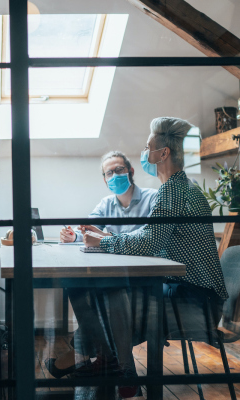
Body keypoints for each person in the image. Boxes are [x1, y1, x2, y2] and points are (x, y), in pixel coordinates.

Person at [68, 117, 227, 398]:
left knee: (109, 293)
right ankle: (114, 364)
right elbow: (149, 237)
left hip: (195, 302)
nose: (145, 153)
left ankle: (116, 367)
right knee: (98, 292)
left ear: (163, 153)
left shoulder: (172, 190)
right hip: (189, 292)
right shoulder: (180, 187)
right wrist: (104, 239)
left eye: (147, 147)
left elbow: (148, 242)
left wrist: (104, 243)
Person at [47, 151, 157, 378]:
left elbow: (147, 238)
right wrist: (73, 237)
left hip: (142, 276)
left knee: (105, 290)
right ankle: (109, 358)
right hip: (115, 272)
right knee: (75, 284)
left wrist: (104, 238)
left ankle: (87, 354)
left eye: (119, 170)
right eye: (109, 173)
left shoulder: (151, 198)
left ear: (131, 171)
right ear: (105, 180)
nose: (115, 175)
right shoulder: (106, 203)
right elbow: (88, 230)